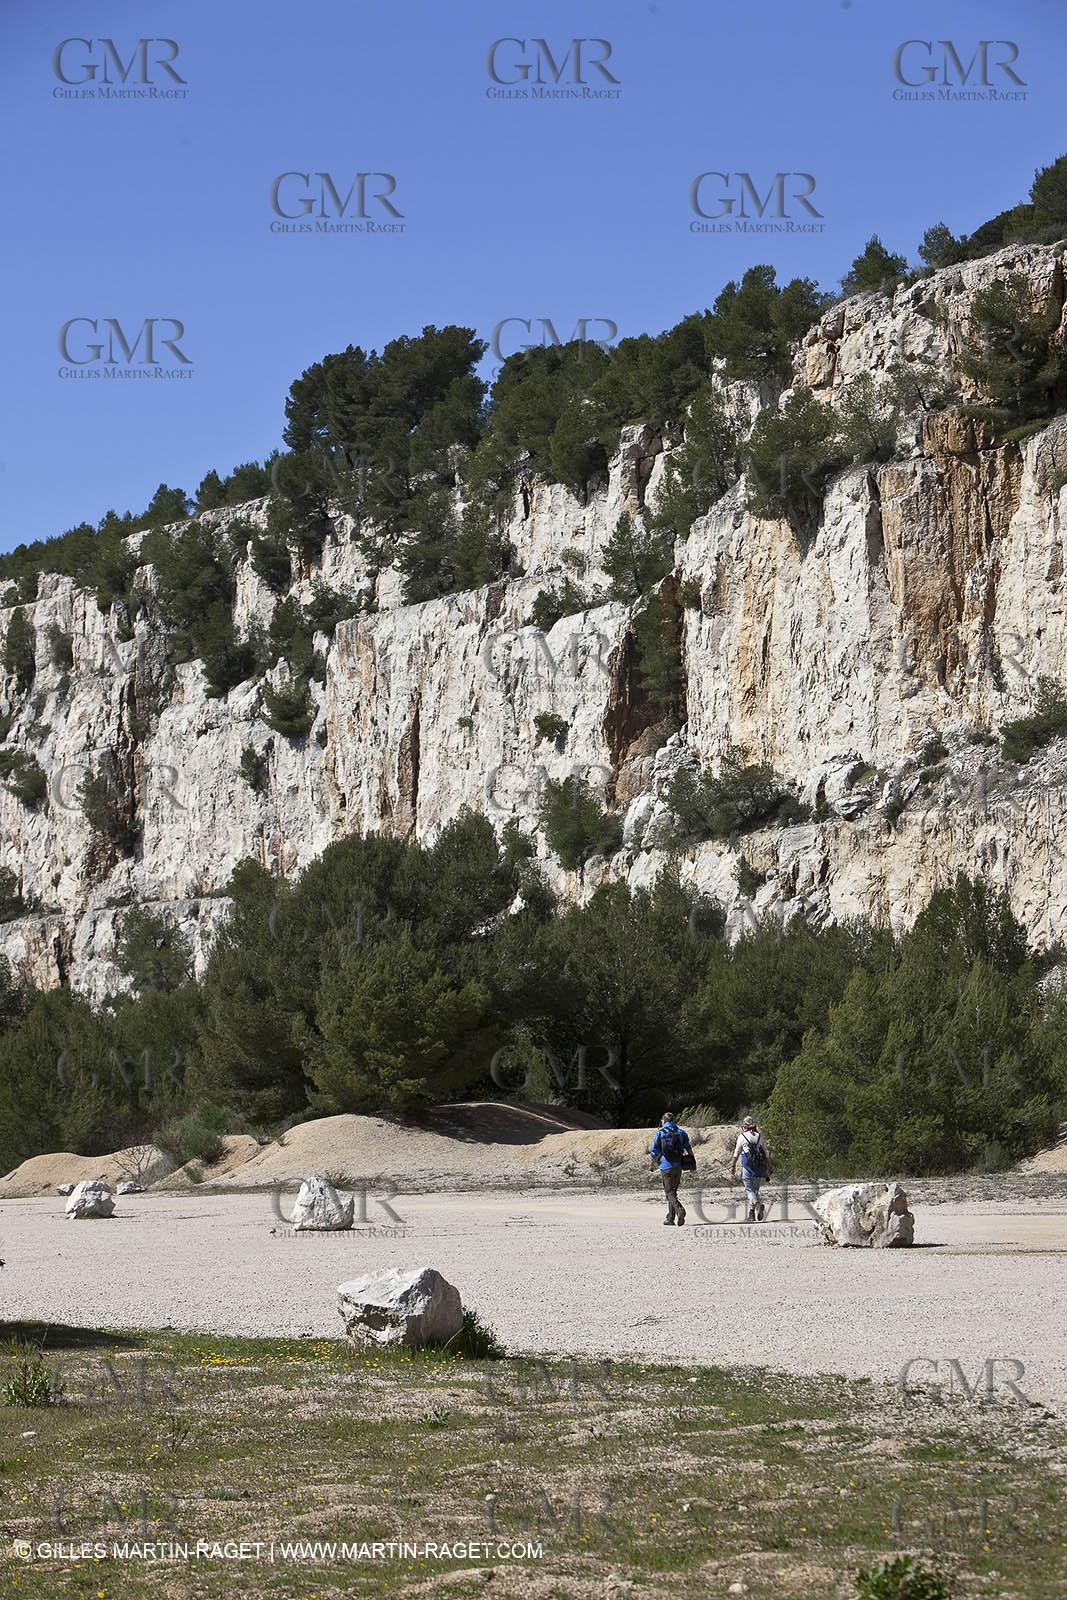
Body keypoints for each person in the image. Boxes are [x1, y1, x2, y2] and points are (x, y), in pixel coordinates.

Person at [649, 1111, 694, 1226]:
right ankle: (670, 1218)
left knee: (669, 1193)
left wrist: (652, 1165)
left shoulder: (660, 1133)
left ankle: (680, 1210)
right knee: (673, 1192)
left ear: (663, 1121)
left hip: (665, 1165)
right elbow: (688, 1149)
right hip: (678, 1166)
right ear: (673, 1121)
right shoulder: (681, 1132)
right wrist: (693, 1164)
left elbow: (654, 1151)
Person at [730, 1114, 772, 1222]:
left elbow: (737, 1153)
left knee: (749, 1189)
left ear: (744, 1127)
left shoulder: (742, 1137)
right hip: (759, 1166)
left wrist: (733, 1165)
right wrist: (769, 1166)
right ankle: (751, 1213)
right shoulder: (759, 1136)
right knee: (755, 1190)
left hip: (747, 1166)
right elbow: (766, 1153)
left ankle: (758, 1206)